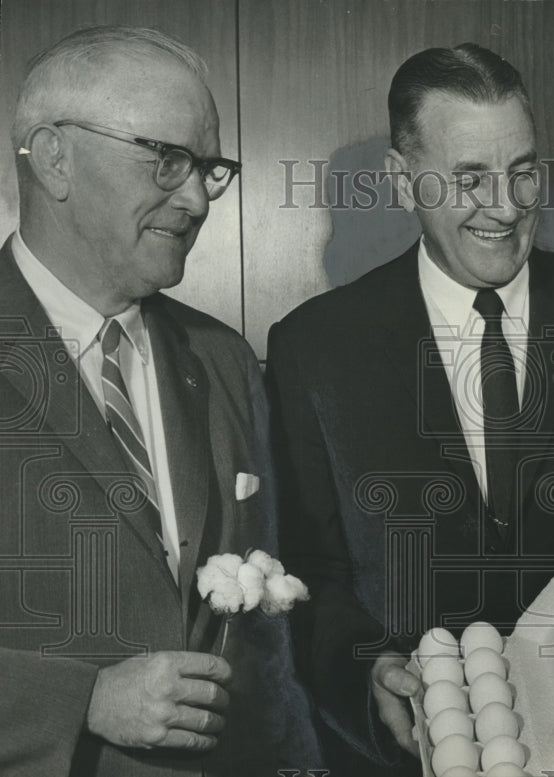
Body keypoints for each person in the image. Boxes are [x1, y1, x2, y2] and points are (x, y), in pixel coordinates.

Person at [267, 43, 554, 775]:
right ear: (402, 180)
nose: (506, 206)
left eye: (523, 172)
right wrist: (369, 672)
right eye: (471, 178)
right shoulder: (314, 350)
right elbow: (310, 574)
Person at [0, 26, 317, 776]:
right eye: (168, 159)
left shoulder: (224, 359)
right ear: (54, 157)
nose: (197, 196)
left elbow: (267, 653)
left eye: (209, 168)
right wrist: (81, 701)